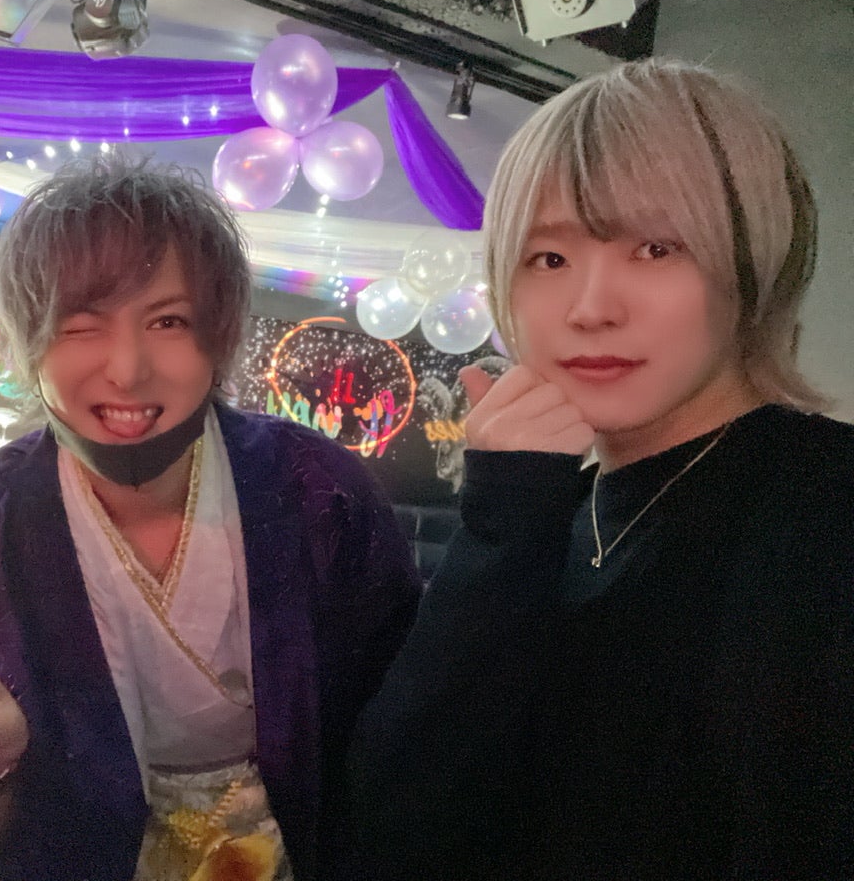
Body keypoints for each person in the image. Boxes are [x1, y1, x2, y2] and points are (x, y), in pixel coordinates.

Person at [0, 156, 420, 881]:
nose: (128, 369)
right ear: (30, 343)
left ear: (218, 337)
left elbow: (399, 728)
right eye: (79, 325)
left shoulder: (318, 493)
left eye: (168, 321)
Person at [346, 57, 854, 880]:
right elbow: (392, 828)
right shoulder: (543, 515)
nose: (590, 308)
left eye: (655, 248)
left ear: (751, 259)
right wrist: (500, 531)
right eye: (548, 259)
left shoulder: (823, 516)